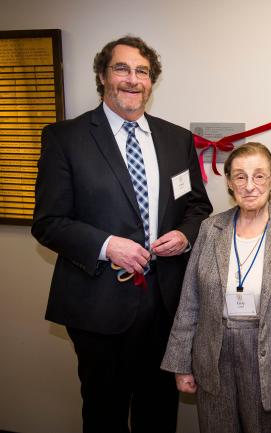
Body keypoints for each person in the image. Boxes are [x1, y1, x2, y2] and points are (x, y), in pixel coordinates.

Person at [31, 36, 212, 433]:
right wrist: (106, 245)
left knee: (159, 412)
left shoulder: (176, 139)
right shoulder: (65, 139)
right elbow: (48, 221)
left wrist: (184, 234)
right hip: (98, 305)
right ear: (102, 76)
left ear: (152, 82)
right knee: (104, 414)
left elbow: (199, 207)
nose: (133, 80)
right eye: (122, 69)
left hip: (165, 306)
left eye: (142, 72)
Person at [161, 142, 271, 433]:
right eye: (240, 176)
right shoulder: (210, 230)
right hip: (214, 358)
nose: (250, 185)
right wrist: (181, 363)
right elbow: (190, 300)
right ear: (229, 182)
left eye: (259, 175)